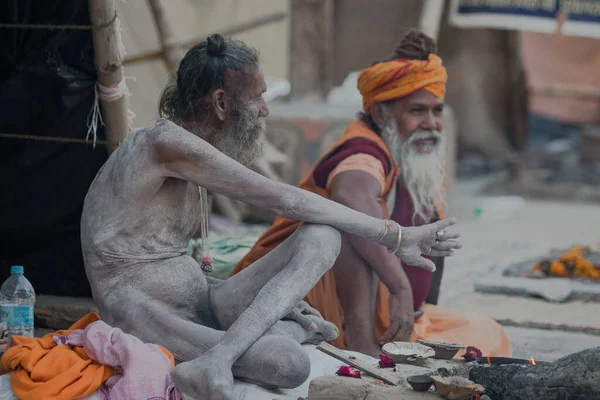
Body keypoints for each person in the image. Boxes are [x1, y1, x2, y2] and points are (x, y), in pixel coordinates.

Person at [80, 33, 461, 400]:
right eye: (258, 97)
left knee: (323, 235)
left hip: (205, 300)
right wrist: (395, 237)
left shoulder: (192, 150)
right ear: (221, 103)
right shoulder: (163, 143)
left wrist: (277, 299)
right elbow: (287, 200)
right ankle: (227, 356)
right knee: (288, 363)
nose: (265, 109)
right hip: (143, 312)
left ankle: (228, 352)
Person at [232, 29, 512, 358]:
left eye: (437, 111)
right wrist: (400, 286)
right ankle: (360, 346)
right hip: (294, 306)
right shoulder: (362, 151)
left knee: (488, 337)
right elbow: (352, 201)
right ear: (381, 114)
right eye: (418, 111)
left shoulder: (402, 153)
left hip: (387, 319)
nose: (432, 123)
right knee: (351, 223)